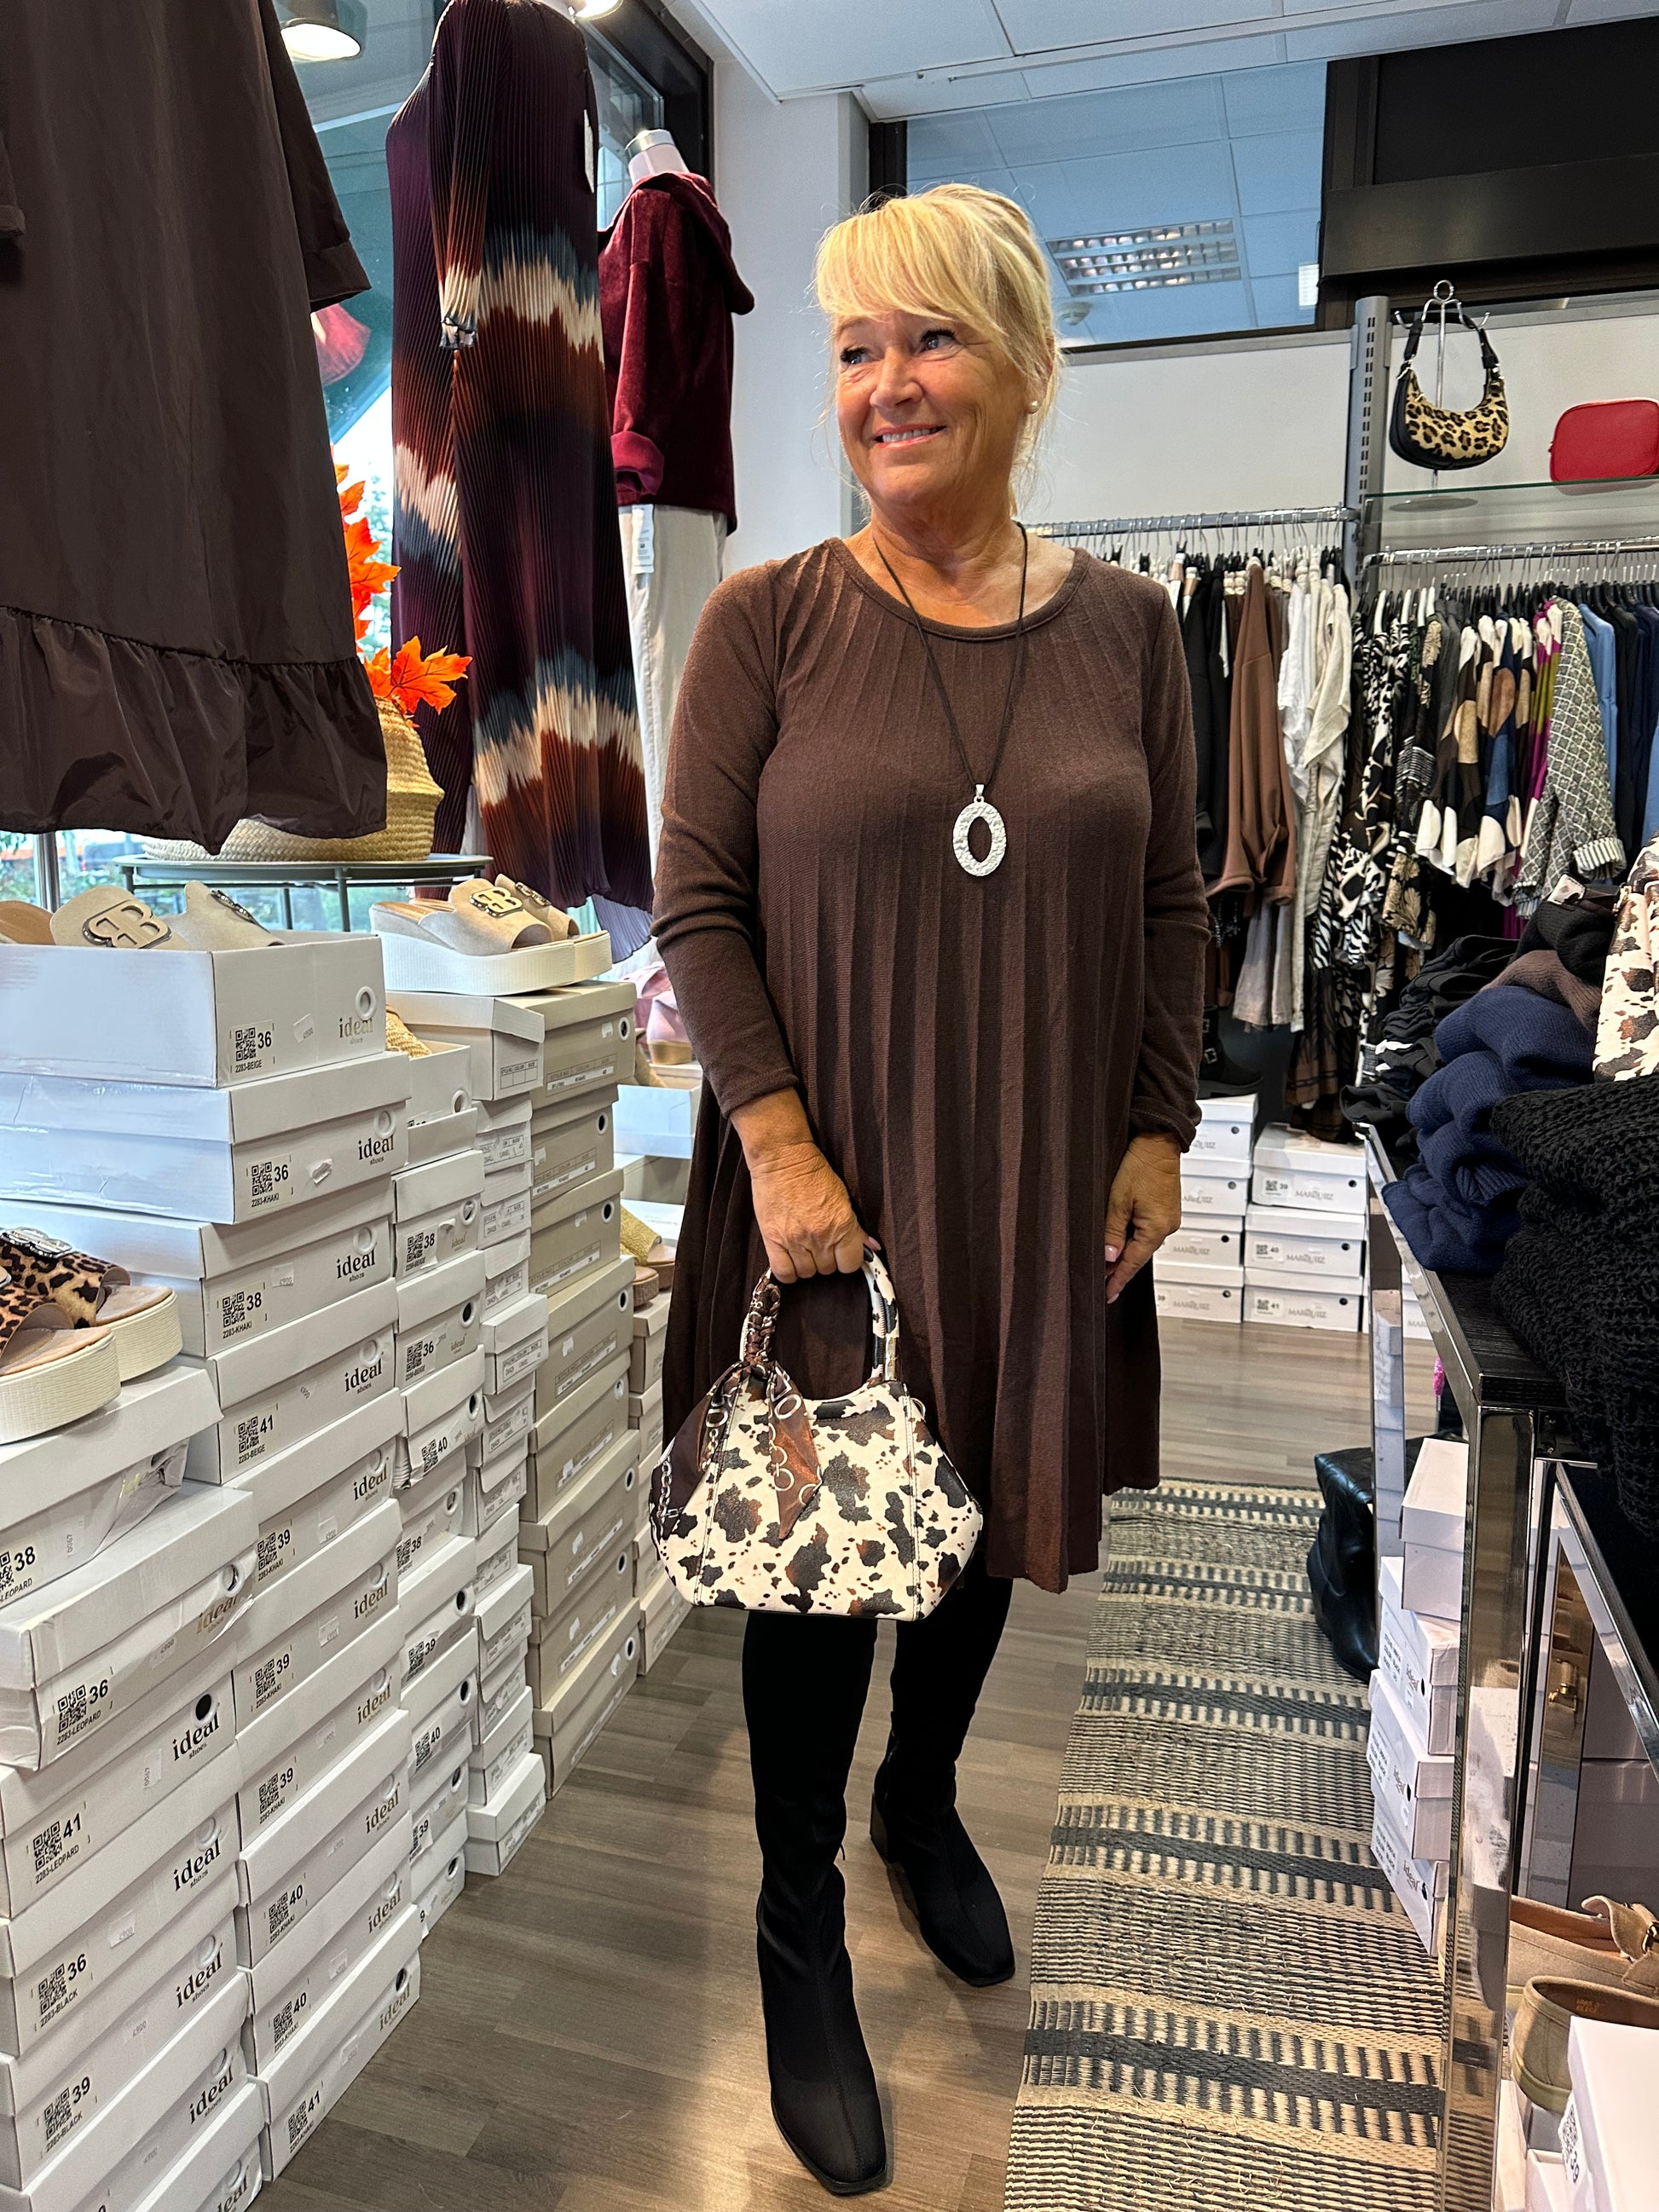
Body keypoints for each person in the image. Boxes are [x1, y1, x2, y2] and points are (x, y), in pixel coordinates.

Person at [653, 182, 1206, 2197]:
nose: (886, 383)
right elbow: (696, 898)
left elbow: (1171, 902)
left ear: (1025, 368)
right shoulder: (769, 623)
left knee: (979, 1521)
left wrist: (1157, 1124)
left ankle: (921, 1795)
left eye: (931, 338)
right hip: (830, 1191)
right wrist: (777, 1143)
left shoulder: (1132, 634)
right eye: (854, 348)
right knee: (824, 1558)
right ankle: (798, 1919)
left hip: (1042, 1181)